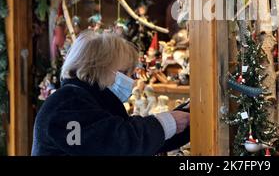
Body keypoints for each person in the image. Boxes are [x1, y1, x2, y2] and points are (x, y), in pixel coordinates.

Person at [31, 31, 190, 156]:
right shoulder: (66, 105)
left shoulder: (92, 102)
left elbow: (133, 140)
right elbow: (115, 143)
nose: (131, 80)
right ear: (99, 68)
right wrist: (168, 122)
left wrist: (186, 118)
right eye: (125, 72)